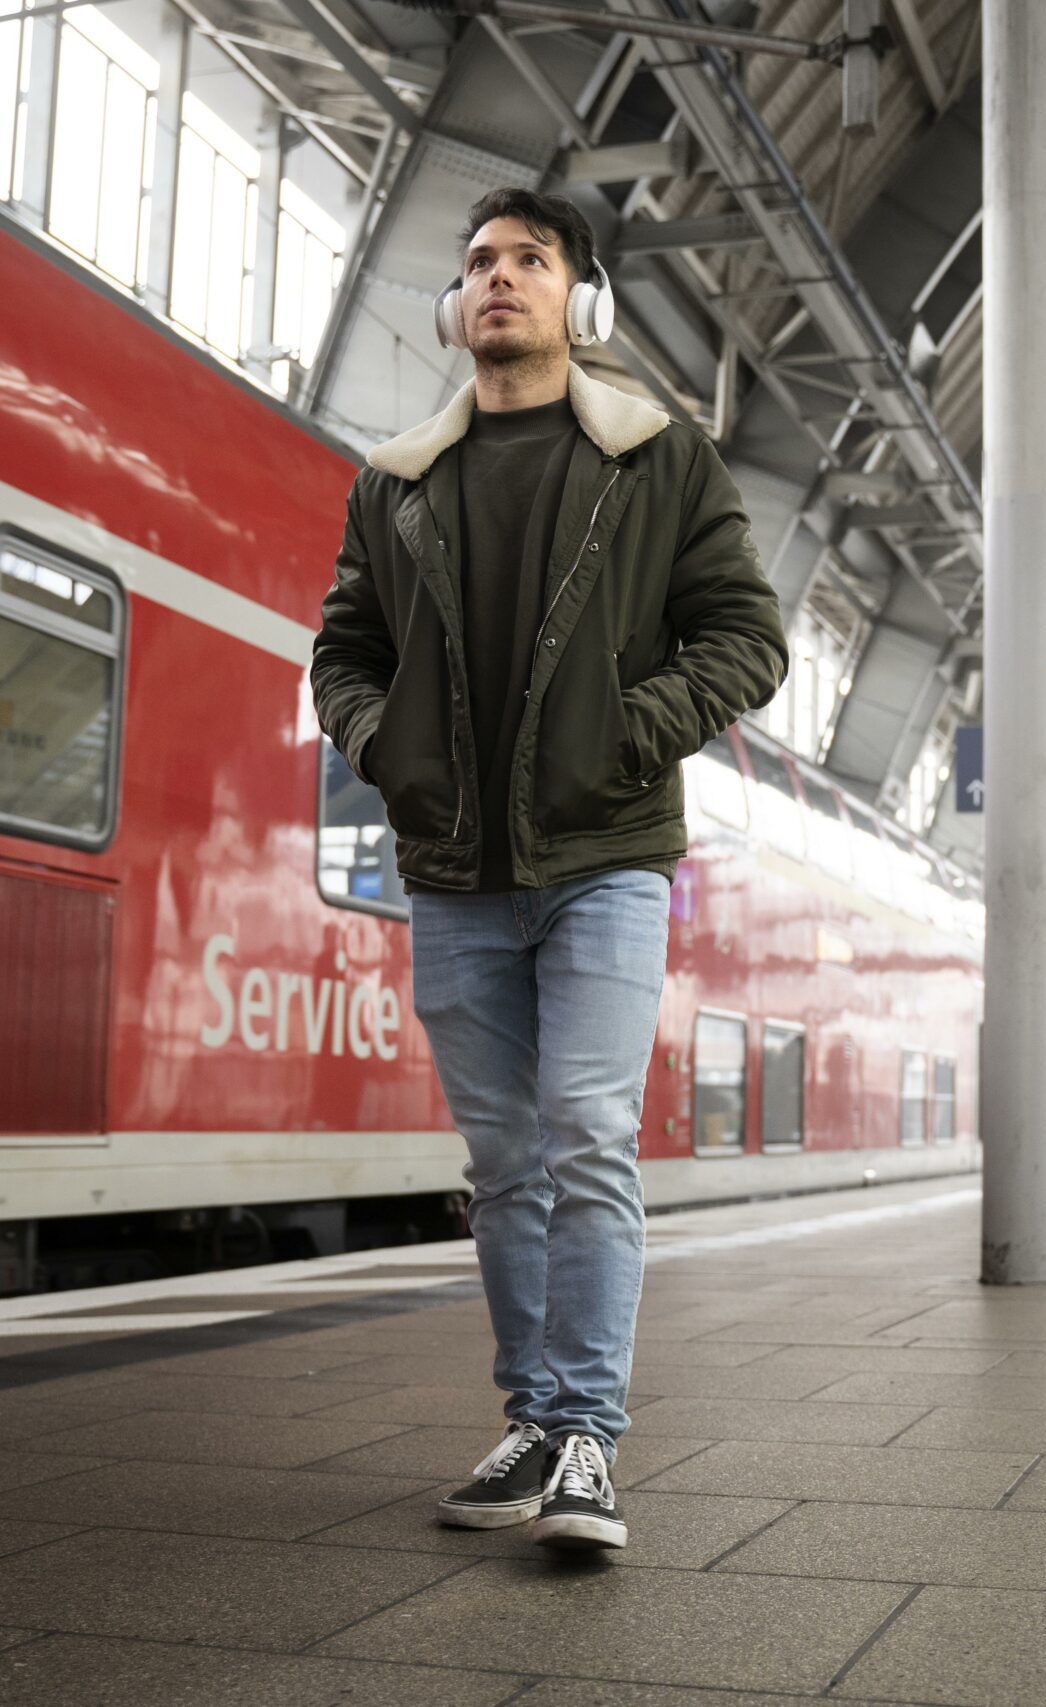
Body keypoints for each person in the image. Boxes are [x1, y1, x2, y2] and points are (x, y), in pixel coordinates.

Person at [310, 188, 787, 1553]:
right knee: (505, 1157)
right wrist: (382, 740)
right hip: (456, 871)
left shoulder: (657, 459)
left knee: (584, 1135)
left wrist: (628, 733)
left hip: (605, 859)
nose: (500, 277)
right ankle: (529, 1421)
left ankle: (586, 1436)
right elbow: (341, 653)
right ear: (456, 308)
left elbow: (747, 635)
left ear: (583, 300)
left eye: (531, 257)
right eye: (478, 263)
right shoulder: (395, 482)